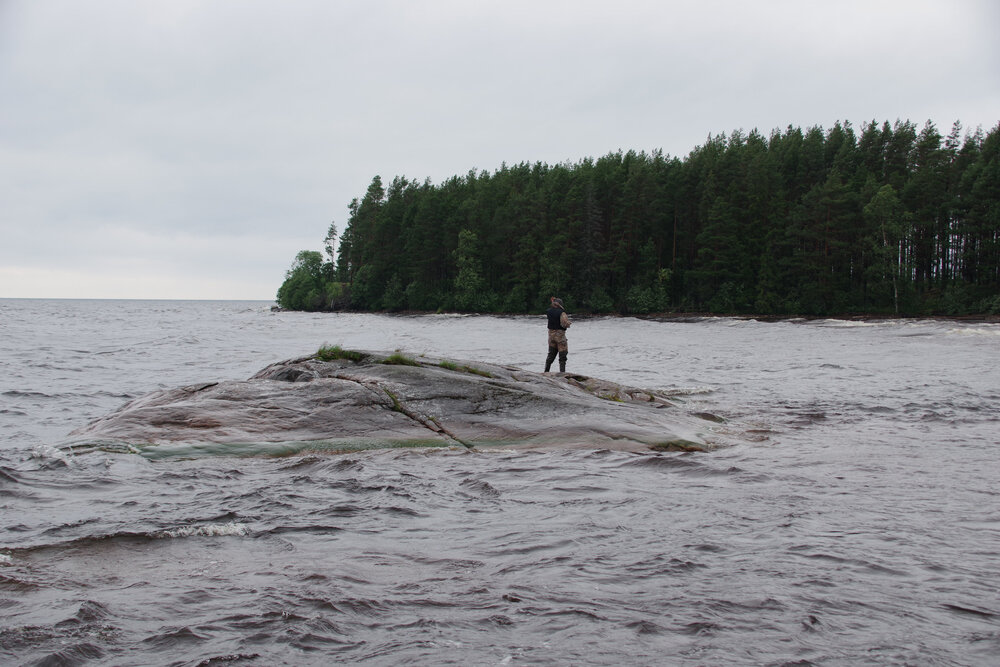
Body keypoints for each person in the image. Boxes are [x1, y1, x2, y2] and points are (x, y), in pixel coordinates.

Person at [544, 296, 571, 373]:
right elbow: (565, 324)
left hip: (551, 336)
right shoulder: (561, 312)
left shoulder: (548, 311)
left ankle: (546, 371)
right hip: (560, 336)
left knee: (551, 355)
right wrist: (569, 323)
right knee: (562, 355)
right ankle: (562, 373)